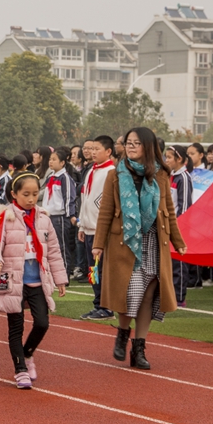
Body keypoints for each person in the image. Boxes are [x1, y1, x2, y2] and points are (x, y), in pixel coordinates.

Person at [93, 127, 187, 370]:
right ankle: (123, 332)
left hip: (155, 241)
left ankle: (139, 346)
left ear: (148, 146)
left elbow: (169, 211)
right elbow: (105, 212)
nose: (131, 146)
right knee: (130, 293)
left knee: (148, 296)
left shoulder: (161, 175)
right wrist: (98, 245)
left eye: (136, 143)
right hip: (125, 242)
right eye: (128, 143)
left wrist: (178, 241)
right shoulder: (116, 174)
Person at [0, 173, 68, 389]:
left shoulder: (44, 219)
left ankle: (28, 352)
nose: (31, 199)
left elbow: (54, 252)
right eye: (26, 194)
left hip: (37, 280)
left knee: (42, 323)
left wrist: (60, 279)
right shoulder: (5, 218)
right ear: (14, 194)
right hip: (12, 280)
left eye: (35, 194)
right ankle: (20, 369)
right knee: (16, 327)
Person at [78, 136, 117, 320]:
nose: (92, 152)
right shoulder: (91, 170)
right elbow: (85, 198)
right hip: (88, 228)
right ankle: (98, 303)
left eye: (97, 149)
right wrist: (81, 224)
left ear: (108, 151)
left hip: (100, 231)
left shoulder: (111, 172)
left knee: (101, 269)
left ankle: (106, 306)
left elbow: (107, 204)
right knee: (92, 270)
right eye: (91, 149)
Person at [165, 145, 195, 308]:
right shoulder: (171, 176)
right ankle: (170, 294)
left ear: (180, 160)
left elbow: (184, 207)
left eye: (169, 157)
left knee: (179, 263)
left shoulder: (183, 177)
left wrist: (176, 226)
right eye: (166, 157)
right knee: (169, 262)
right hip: (168, 226)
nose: (166, 160)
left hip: (179, 227)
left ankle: (179, 297)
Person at [43, 148, 77, 282]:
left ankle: (64, 275)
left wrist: (70, 215)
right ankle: (53, 274)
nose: (50, 162)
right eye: (50, 159)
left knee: (62, 246)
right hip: (48, 216)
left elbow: (69, 197)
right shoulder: (51, 177)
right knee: (50, 246)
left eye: (54, 160)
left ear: (62, 162)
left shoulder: (65, 178)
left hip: (60, 217)